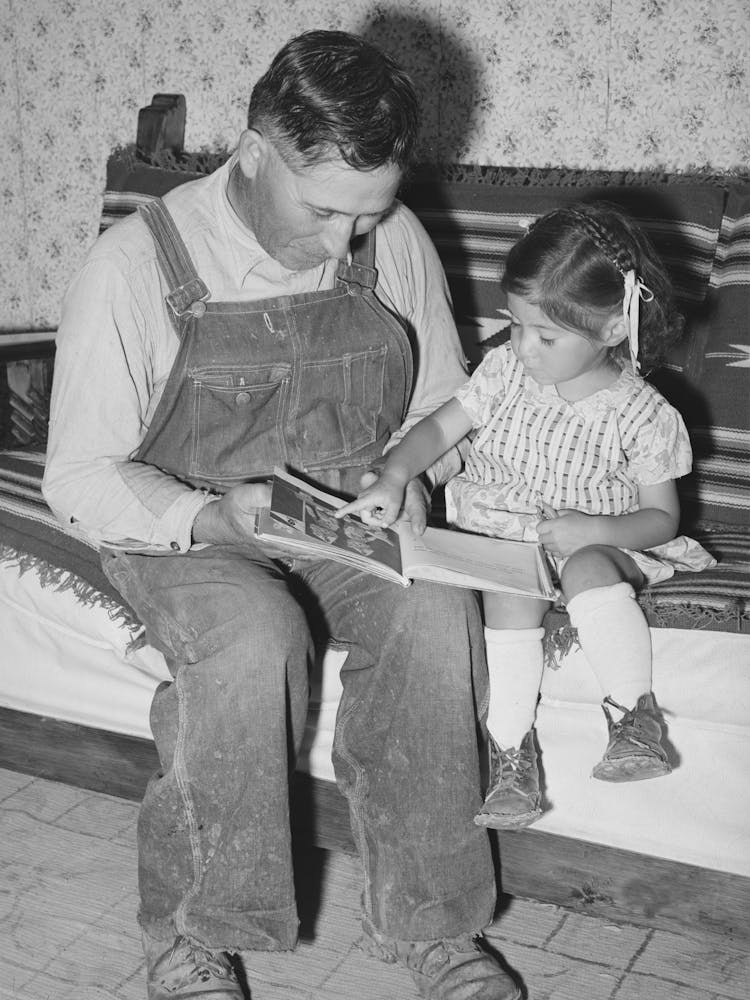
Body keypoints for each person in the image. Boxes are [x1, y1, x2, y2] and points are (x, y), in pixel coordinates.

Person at [42, 29, 522, 1000]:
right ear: (257, 153)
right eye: (325, 210)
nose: (348, 241)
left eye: (369, 214)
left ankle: (432, 923)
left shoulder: (391, 235)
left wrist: (409, 476)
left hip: (347, 503)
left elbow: (443, 401)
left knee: (433, 608)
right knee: (254, 633)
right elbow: (80, 475)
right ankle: (188, 930)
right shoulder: (134, 266)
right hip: (186, 522)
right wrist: (213, 518)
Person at [337, 201, 716, 831]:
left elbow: (661, 520)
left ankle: (633, 719)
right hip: (512, 545)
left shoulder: (643, 415)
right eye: (514, 325)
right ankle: (511, 756)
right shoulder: (505, 373)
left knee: (590, 566)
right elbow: (438, 429)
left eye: (546, 336)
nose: (524, 347)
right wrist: (398, 473)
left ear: (612, 330)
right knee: (509, 594)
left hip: (602, 544)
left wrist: (595, 531)